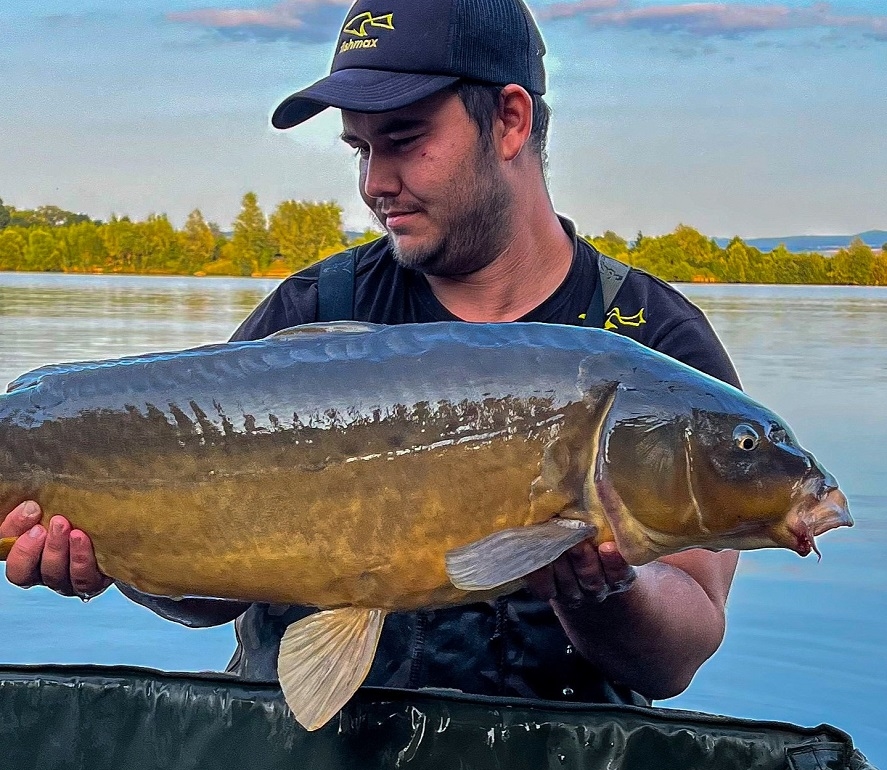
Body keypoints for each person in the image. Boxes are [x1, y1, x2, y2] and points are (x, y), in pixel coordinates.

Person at [1, 0, 740, 707]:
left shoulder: (650, 344)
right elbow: (203, 594)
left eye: (404, 139)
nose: (374, 183)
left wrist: (604, 592)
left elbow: (679, 646)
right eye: (360, 146)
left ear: (509, 121)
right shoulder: (313, 310)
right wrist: (119, 561)